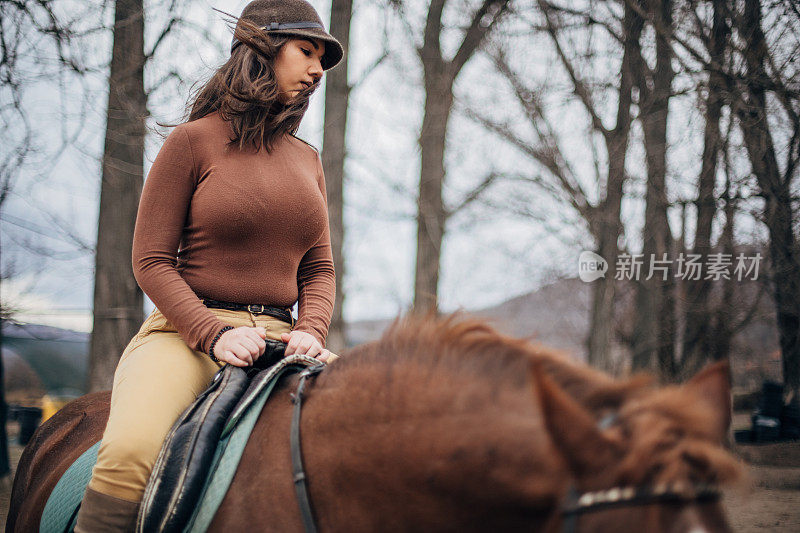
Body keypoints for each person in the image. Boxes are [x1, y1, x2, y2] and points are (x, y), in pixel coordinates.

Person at [74, 1, 343, 530]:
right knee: (130, 452)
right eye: (305, 51)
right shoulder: (192, 142)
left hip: (284, 339)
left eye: (321, 59)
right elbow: (150, 261)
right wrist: (213, 333)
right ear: (262, 50)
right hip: (186, 333)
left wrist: (311, 329)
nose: (317, 70)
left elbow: (319, 270)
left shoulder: (307, 158)